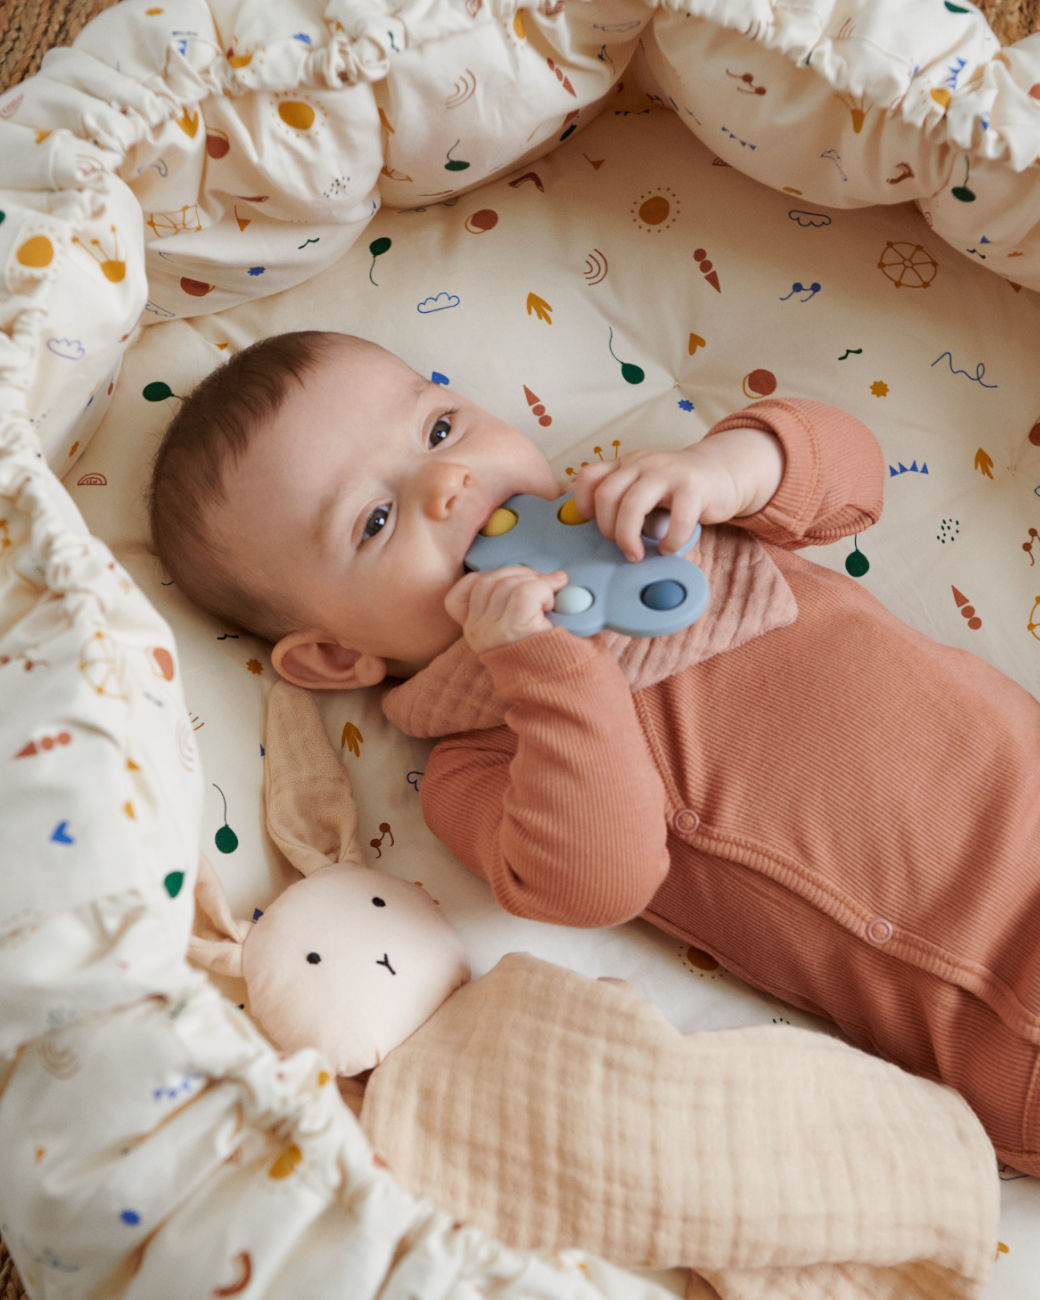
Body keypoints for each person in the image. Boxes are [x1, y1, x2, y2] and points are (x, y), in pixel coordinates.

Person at [150, 329, 1040, 1172]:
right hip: (1001, 1011)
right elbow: (598, 879)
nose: (447, 482)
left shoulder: (661, 515)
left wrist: (731, 469)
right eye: (376, 520)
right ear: (338, 658)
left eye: (440, 428)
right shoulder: (478, 762)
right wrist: (543, 665)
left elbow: (855, 479)